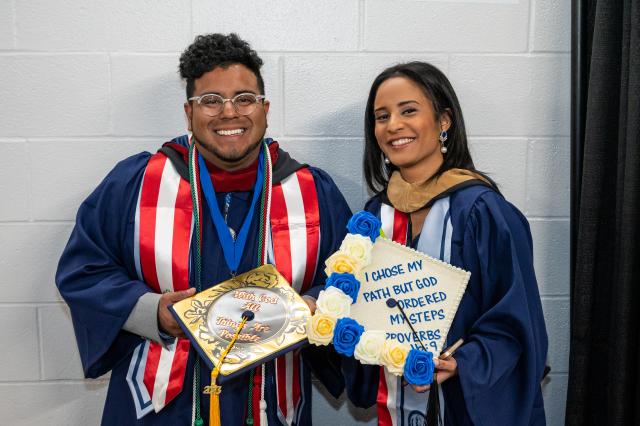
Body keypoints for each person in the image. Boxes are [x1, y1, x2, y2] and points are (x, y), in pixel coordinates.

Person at [56, 33, 351, 426]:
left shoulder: (312, 191)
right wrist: (152, 312)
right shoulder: (139, 183)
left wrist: (317, 306)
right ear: (188, 113)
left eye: (244, 99)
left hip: (270, 407)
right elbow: (83, 271)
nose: (229, 112)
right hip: (160, 409)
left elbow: (349, 279)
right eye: (210, 101)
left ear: (264, 108)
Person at [343, 62, 548, 425]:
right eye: (381, 116)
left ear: (443, 121)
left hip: (464, 408)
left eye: (409, 110)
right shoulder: (375, 215)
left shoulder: (483, 211)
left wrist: (464, 363)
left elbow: (517, 321)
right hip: (397, 402)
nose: (393, 125)